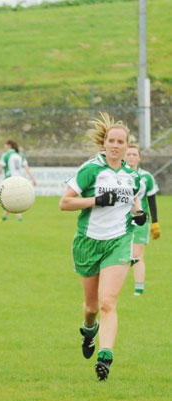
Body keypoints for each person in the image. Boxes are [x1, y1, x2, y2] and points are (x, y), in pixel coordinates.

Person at [59, 112, 146, 381]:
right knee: (91, 307)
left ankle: (105, 357)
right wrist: (96, 200)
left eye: (121, 142)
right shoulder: (91, 169)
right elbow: (65, 203)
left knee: (108, 303)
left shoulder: (134, 178)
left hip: (119, 242)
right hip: (88, 242)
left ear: (127, 146)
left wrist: (139, 214)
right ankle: (88, 330)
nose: (116, 145)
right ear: (105, 143)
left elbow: (135, 204)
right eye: (111, 140)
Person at [124, 144, 161, 295]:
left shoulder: (146, 177)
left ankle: (138, 289)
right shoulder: (118, 175)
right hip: (120, 220)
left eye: (134, 154)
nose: (131, 157)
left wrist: (155, 222)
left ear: (139, 157)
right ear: (124, 156)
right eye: (128, 154)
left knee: (137, 255)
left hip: (141, 220)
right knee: (120, 254)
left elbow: (152, 201)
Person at [0, 139, 37, 221]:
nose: (4, 146)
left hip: (9, 180)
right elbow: (27, 168)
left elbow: (0, 169)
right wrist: (33, 179)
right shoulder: (20, 155)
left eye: (5, 145)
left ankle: (18, 216)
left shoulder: (6, 155)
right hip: (19, 180)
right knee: (14, 197)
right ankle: (6, 216)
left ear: (9, 145)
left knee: (11, 197)